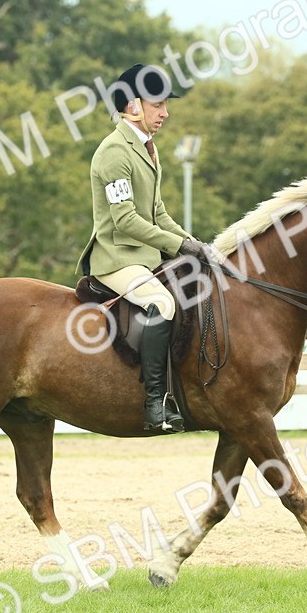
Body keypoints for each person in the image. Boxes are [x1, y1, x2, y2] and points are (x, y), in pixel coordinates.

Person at [76, 63, 210, 432]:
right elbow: (125, 220)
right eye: (158, 105)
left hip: (144, 257)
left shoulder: (147, 149)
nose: (165, 113)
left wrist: (193, 244)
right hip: (117, 258)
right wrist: (177, 245)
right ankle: (154, 403)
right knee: (162, 303)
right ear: (133, 105)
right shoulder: (114, 152)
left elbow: (158, 212)